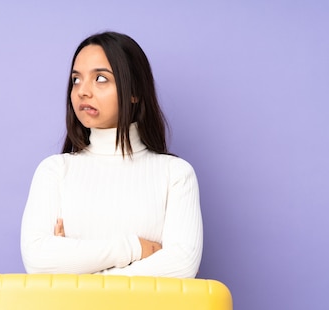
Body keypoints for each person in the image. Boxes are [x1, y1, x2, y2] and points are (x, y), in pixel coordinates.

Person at [20, 31, 203, 278]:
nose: (83, 91)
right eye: (76, 80)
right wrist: (134, 248)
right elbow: (37, 261)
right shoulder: (55, 171)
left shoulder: (175, 174)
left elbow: (182, 266)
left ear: (134, 92)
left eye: (101, 79)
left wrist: (78, 270)